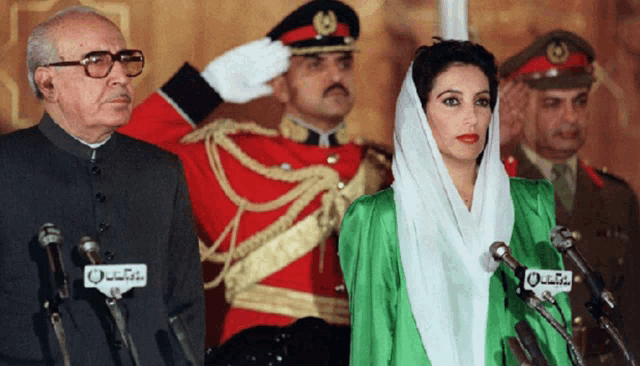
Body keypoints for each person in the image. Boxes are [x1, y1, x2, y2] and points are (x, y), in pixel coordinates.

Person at [118, 0, 391, 362]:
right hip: (261, 351)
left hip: (361, 350)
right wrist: (205, 88)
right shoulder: (230, 156)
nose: (335, 76)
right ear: (279, 85)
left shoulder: (384, 169)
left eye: (344, 63)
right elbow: (121, 153)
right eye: (315, 65)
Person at [339, 39, 574, 365]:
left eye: (481, 102)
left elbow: (552, 331)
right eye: (452, 101)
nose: (471, 117)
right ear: (419, 113)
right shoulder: (380, 218)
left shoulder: (528, 204)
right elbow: (373, 343)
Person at [0, 6, 204, 365]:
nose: (121, 77)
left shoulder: (161, 170)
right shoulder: (6, 164)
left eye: (125, 61)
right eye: (97, 62)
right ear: (48, 82)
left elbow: (184, 304)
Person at [500, 30, 640, 363]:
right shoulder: (499, 188)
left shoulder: (617, 198)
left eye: (579, 101)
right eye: (552, 104)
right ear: (521, 109)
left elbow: (633, 310)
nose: (571, 118)